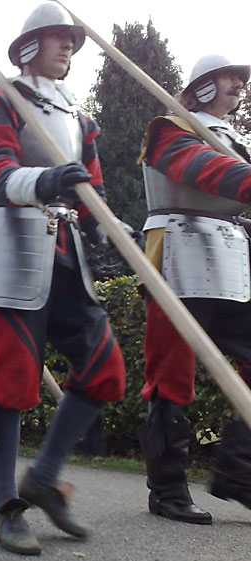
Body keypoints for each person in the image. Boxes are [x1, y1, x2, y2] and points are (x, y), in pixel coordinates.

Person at [0, 2, 126, 555]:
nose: (70, 49)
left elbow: (92, 190)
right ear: (31, 45)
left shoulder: (80, 119)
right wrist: (49, 178)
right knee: (10, 381)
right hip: (13, 247)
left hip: (66, 255)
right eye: (60, 39)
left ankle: (45, 476)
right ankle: (8, 505)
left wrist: (107, 224)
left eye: (73, 42)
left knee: (106, 367)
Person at [138, 55, 251, 524]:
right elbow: (197, 168)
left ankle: (239, 470)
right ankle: (167, 489)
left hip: (231, 253)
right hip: (177, 250)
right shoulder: (169, 128)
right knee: (171, 374)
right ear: (203, 85)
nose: (238, 88)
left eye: (241, 82)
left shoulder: (237, 141)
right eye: (229, 79)